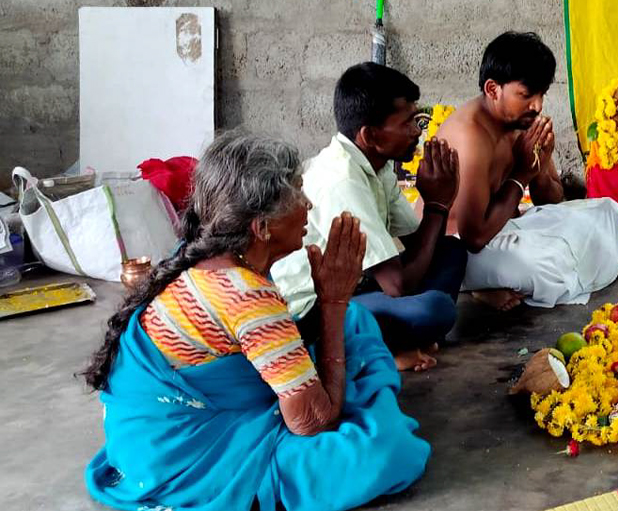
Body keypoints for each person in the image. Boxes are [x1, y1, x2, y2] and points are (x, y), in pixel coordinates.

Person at [82, 132, 429, 511]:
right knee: (384, 451)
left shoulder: (204, 255)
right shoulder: (245, 295)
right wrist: (331, 301)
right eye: (298, 192)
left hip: (144, 441)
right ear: (262, 227)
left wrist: (337, 308)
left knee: (356, 319)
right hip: (181, 458)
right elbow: (313, 424)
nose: (308, 204)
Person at [273, 62, 464, 371]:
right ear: (370, 135)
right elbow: (397, 285)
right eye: (407, 123)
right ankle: (388, 349)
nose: (417, 131)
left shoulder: (379, 164)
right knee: (434, 309)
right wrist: (438, 206)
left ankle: (402, 339)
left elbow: (419, 244)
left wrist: (437, 202)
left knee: (451, 251)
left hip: (358, 285)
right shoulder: (342, 180)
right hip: (313, 310)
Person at [431, 31, 618, 309]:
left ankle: (500, 280)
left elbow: (550, 201)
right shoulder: (471, 136)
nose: (538, 106)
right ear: (492, 89)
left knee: (608, 211)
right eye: (526, 95)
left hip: (507, 230)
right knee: (543, 266)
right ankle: (474, 285)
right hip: (456, 246)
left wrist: (540, 162)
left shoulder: (523, 120)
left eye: (541, 94)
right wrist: (521, 175)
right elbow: (474, 238)